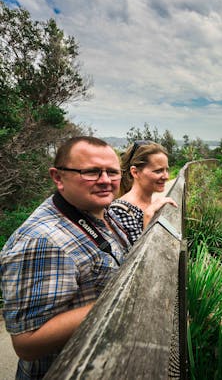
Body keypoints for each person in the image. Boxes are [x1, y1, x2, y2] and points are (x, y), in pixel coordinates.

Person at [0, 136, 131, 379]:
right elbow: (27, 343)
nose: (105, 181)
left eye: (113, 172)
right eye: (91, 172)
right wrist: (121, 299)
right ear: (58, 177)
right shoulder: (42, 241)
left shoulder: (98, 210)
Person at [108, 140, 177, 245]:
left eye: (166, 170)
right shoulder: (119, 211)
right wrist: (148, 217)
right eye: (158, 171)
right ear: (135, 172)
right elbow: (132, 257)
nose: (166, 176)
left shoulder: (155, 203)